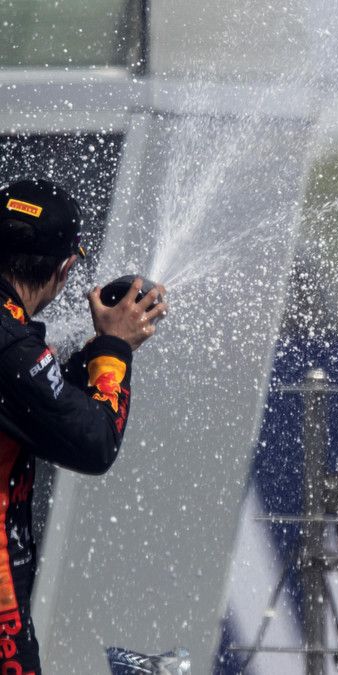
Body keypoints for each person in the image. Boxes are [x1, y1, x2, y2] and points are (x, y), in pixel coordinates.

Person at [0, 178, 167, 673]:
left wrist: (100, 346)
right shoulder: (10, 345)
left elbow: (37, 405)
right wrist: (115, 349)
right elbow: (93, 442)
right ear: (65, 268)